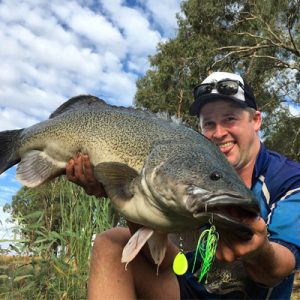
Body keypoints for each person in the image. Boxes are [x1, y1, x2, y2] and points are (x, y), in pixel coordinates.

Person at [66, 71, 300, 299]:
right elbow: (166, 261)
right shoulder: (184, 175)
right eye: (208, 124)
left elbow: (280, 267)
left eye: (230, 118)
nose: (218, 133)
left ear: (256, 120)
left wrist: (261, 253)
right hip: (187, 291)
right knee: (111, 242)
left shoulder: (288, 179)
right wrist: (122, 194)